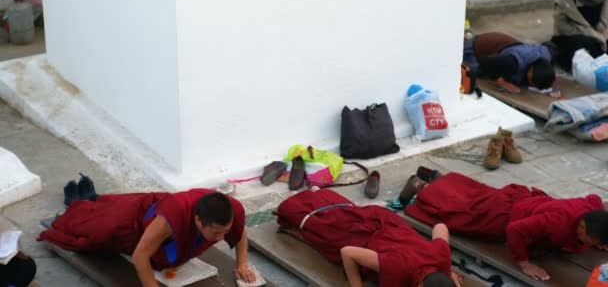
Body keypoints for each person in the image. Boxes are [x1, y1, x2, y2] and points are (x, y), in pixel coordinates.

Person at [400, 167, 608, 282]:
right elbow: (514, 230)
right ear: (581, 227)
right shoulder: (557, 222)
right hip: (505, 215)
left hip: (522, 201)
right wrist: (524, 263)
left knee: (476, 194)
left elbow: (598, 206)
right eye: (592, 241)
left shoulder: (594, 208)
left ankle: (438, 177)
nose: (593, 246)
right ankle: (421, 186)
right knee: (461, 212)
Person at [39, 189, 256, 287]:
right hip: (133, 226)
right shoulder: (171, 217)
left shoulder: (230, 211)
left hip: (170, 234)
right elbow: (140, 255)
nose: (221, 238)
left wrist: (242, 263)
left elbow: (240, 232)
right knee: (94, 229)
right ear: (198, 220)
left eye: (224, 231)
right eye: (217, 233)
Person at [274, 188, 461, 287]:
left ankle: (320, 193)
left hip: (390, 225)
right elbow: (348, 253)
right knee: (323, 228)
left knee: (344, 214)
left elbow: (440, 226)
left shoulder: (442, 255)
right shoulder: (397, 266)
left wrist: (447, 269)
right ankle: (313, 195)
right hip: (367, 233)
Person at [463, 32, 556, 90]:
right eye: (532, 82)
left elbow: (550, 45)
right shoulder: (512, 63)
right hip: (478, 45)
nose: (530, 84)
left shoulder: (547, 55)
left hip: (504, 44)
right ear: (531, 71)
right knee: (471, 72)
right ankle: (464, 43)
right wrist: (501, 80)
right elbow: (484, 62)